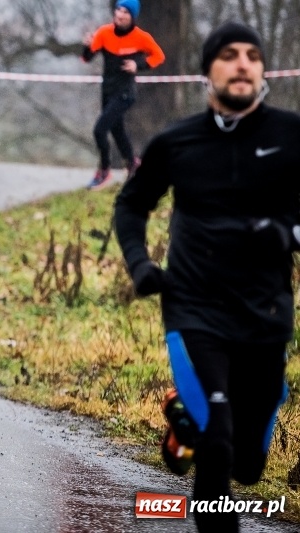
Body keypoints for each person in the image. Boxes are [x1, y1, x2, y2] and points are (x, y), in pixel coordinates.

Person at [114, 21, 296, 532]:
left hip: (265, 311)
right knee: (219, 444)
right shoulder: (177, 142)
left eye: (252, 55)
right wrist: (140, 264)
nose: (243, 63)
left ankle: (187, 421)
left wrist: (288, 233)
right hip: (193, 307)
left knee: (249, 467)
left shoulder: (290, 135)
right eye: (230, 54)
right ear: (208, 70)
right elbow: (131, 206)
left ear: (262, 71)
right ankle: (202, 425)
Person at [81, 0, 165, 191]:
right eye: (118, 9)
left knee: (99, 130)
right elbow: (87, 58)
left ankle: (104, 171)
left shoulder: (141, 37)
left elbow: (158, 56)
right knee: (117, 131)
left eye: (125, 11)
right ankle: (134, 165)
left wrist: (139, 66)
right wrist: (86, 46)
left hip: (126, 93)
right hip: (107, 92)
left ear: (132, 16)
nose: (120, 14)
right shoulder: (104, 33)